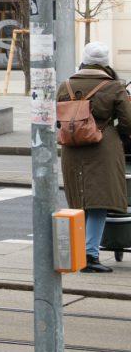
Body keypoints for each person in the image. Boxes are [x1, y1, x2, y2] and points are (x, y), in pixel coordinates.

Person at [59, 43, 128, 272]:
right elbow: (128, 122)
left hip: (71, 147)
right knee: (98, 203)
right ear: (105, 61)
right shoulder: (114, 87)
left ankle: (77, 254)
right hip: (102, 148)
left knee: (79, 201)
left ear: (84, 59)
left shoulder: (65, 85)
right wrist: (118, 137)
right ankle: (90, 255)